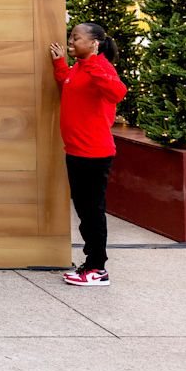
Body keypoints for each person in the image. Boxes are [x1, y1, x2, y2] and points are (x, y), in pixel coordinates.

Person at [49, 22, 128, 286]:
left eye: (76, 38)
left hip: (94, 154)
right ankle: (90, 263)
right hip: (76, 151)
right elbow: (69, 84)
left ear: (94, 43)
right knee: (84, 212)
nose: (71, 42)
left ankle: (98, 268)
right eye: (71, 37)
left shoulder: (100, 67)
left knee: (93, 213)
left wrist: (93, 62)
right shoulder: (79, 67)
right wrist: (60, 64)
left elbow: (118, 92)